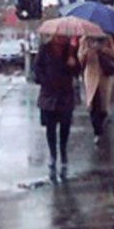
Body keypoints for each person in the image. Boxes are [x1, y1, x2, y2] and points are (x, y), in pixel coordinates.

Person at [32, 34, 80, 177]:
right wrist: (44, 79)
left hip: (65, 93)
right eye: (58, 36)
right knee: (50, 128)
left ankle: (63, 153)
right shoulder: (45, 49)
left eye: (63, 36)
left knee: (65, 126)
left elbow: (77, 71)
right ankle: (53, 155)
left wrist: (74, 63)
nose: (60, 38)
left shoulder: (71, 50)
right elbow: (37, 69)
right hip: (49, 94)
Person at [78, 32, 114, 143]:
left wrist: (102, 49)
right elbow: (80, 58)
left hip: (104, 75)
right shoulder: (84, 39)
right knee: (92, 102)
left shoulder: (107, 38)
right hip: (90, 74)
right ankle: (97, 131)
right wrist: (87, 52)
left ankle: (103, 117)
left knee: (103, 104)